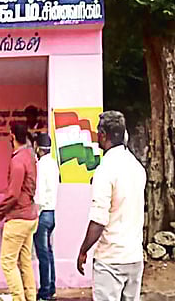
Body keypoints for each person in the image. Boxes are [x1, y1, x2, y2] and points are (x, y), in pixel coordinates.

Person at [77, 111, 146, 301]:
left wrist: (84, 250)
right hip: (134, 257)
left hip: (110, 260)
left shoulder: (105, 169)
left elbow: (99, 219)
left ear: (103, 135)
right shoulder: (136, 167)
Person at [0, 123, 38, 301]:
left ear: (12, 136)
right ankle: (30, 297)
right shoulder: (29, 156)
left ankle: (18, 298)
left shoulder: (18, 161)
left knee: (8, 263)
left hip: (18, 218)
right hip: (30, 216)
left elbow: (13, 194)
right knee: (24, 262)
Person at [33, 133, 59, 301]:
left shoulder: (41, 166)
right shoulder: (53, 164)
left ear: (37, 147)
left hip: (42, 214)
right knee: (49, 253)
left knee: (43, 255)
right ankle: (51, 287)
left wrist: (34, 214)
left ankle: (44, 293)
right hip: (52, 213)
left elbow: (40, 194)